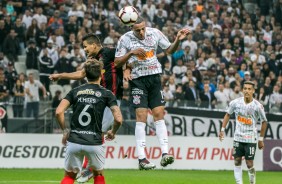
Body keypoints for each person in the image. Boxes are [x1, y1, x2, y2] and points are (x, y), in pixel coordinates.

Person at [114, 16, 190, 170]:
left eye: (143, 28)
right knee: (141, 117)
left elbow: (169, 50)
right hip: (138, 80)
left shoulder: (154, 33)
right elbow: (117, 62)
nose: (141, 32)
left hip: (155, 78)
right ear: (131, 28)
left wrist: (178, 40)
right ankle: (142, 158)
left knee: (159, 115)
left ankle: (165, 154)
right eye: (137, 30)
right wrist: (131, 53)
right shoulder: (125, 39)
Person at [49, 33, 123, 182]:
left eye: (85, 46)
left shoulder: (109, 51)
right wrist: (61, 75)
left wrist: (127, 69)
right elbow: (81, 73)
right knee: (98, 132)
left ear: (94, 44)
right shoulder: (93, 62)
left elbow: (122, 57)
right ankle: (91, 166)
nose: (85, 50)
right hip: (100, 99)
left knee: (99, 131)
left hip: (110, 99)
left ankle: (89, 166)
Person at [219, 81, 268, 184]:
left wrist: (261, 139)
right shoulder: (235, 103)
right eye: (245, 88)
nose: (247, 91)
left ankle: (252, 183)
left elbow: (264, 122)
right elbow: (228, 114)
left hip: (251, 138)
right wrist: (222, 130)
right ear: (242, 90)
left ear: (253, 91)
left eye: (249, 89)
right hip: (238, 137)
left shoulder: (258, 106)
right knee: (237, 161)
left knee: (249, 163)